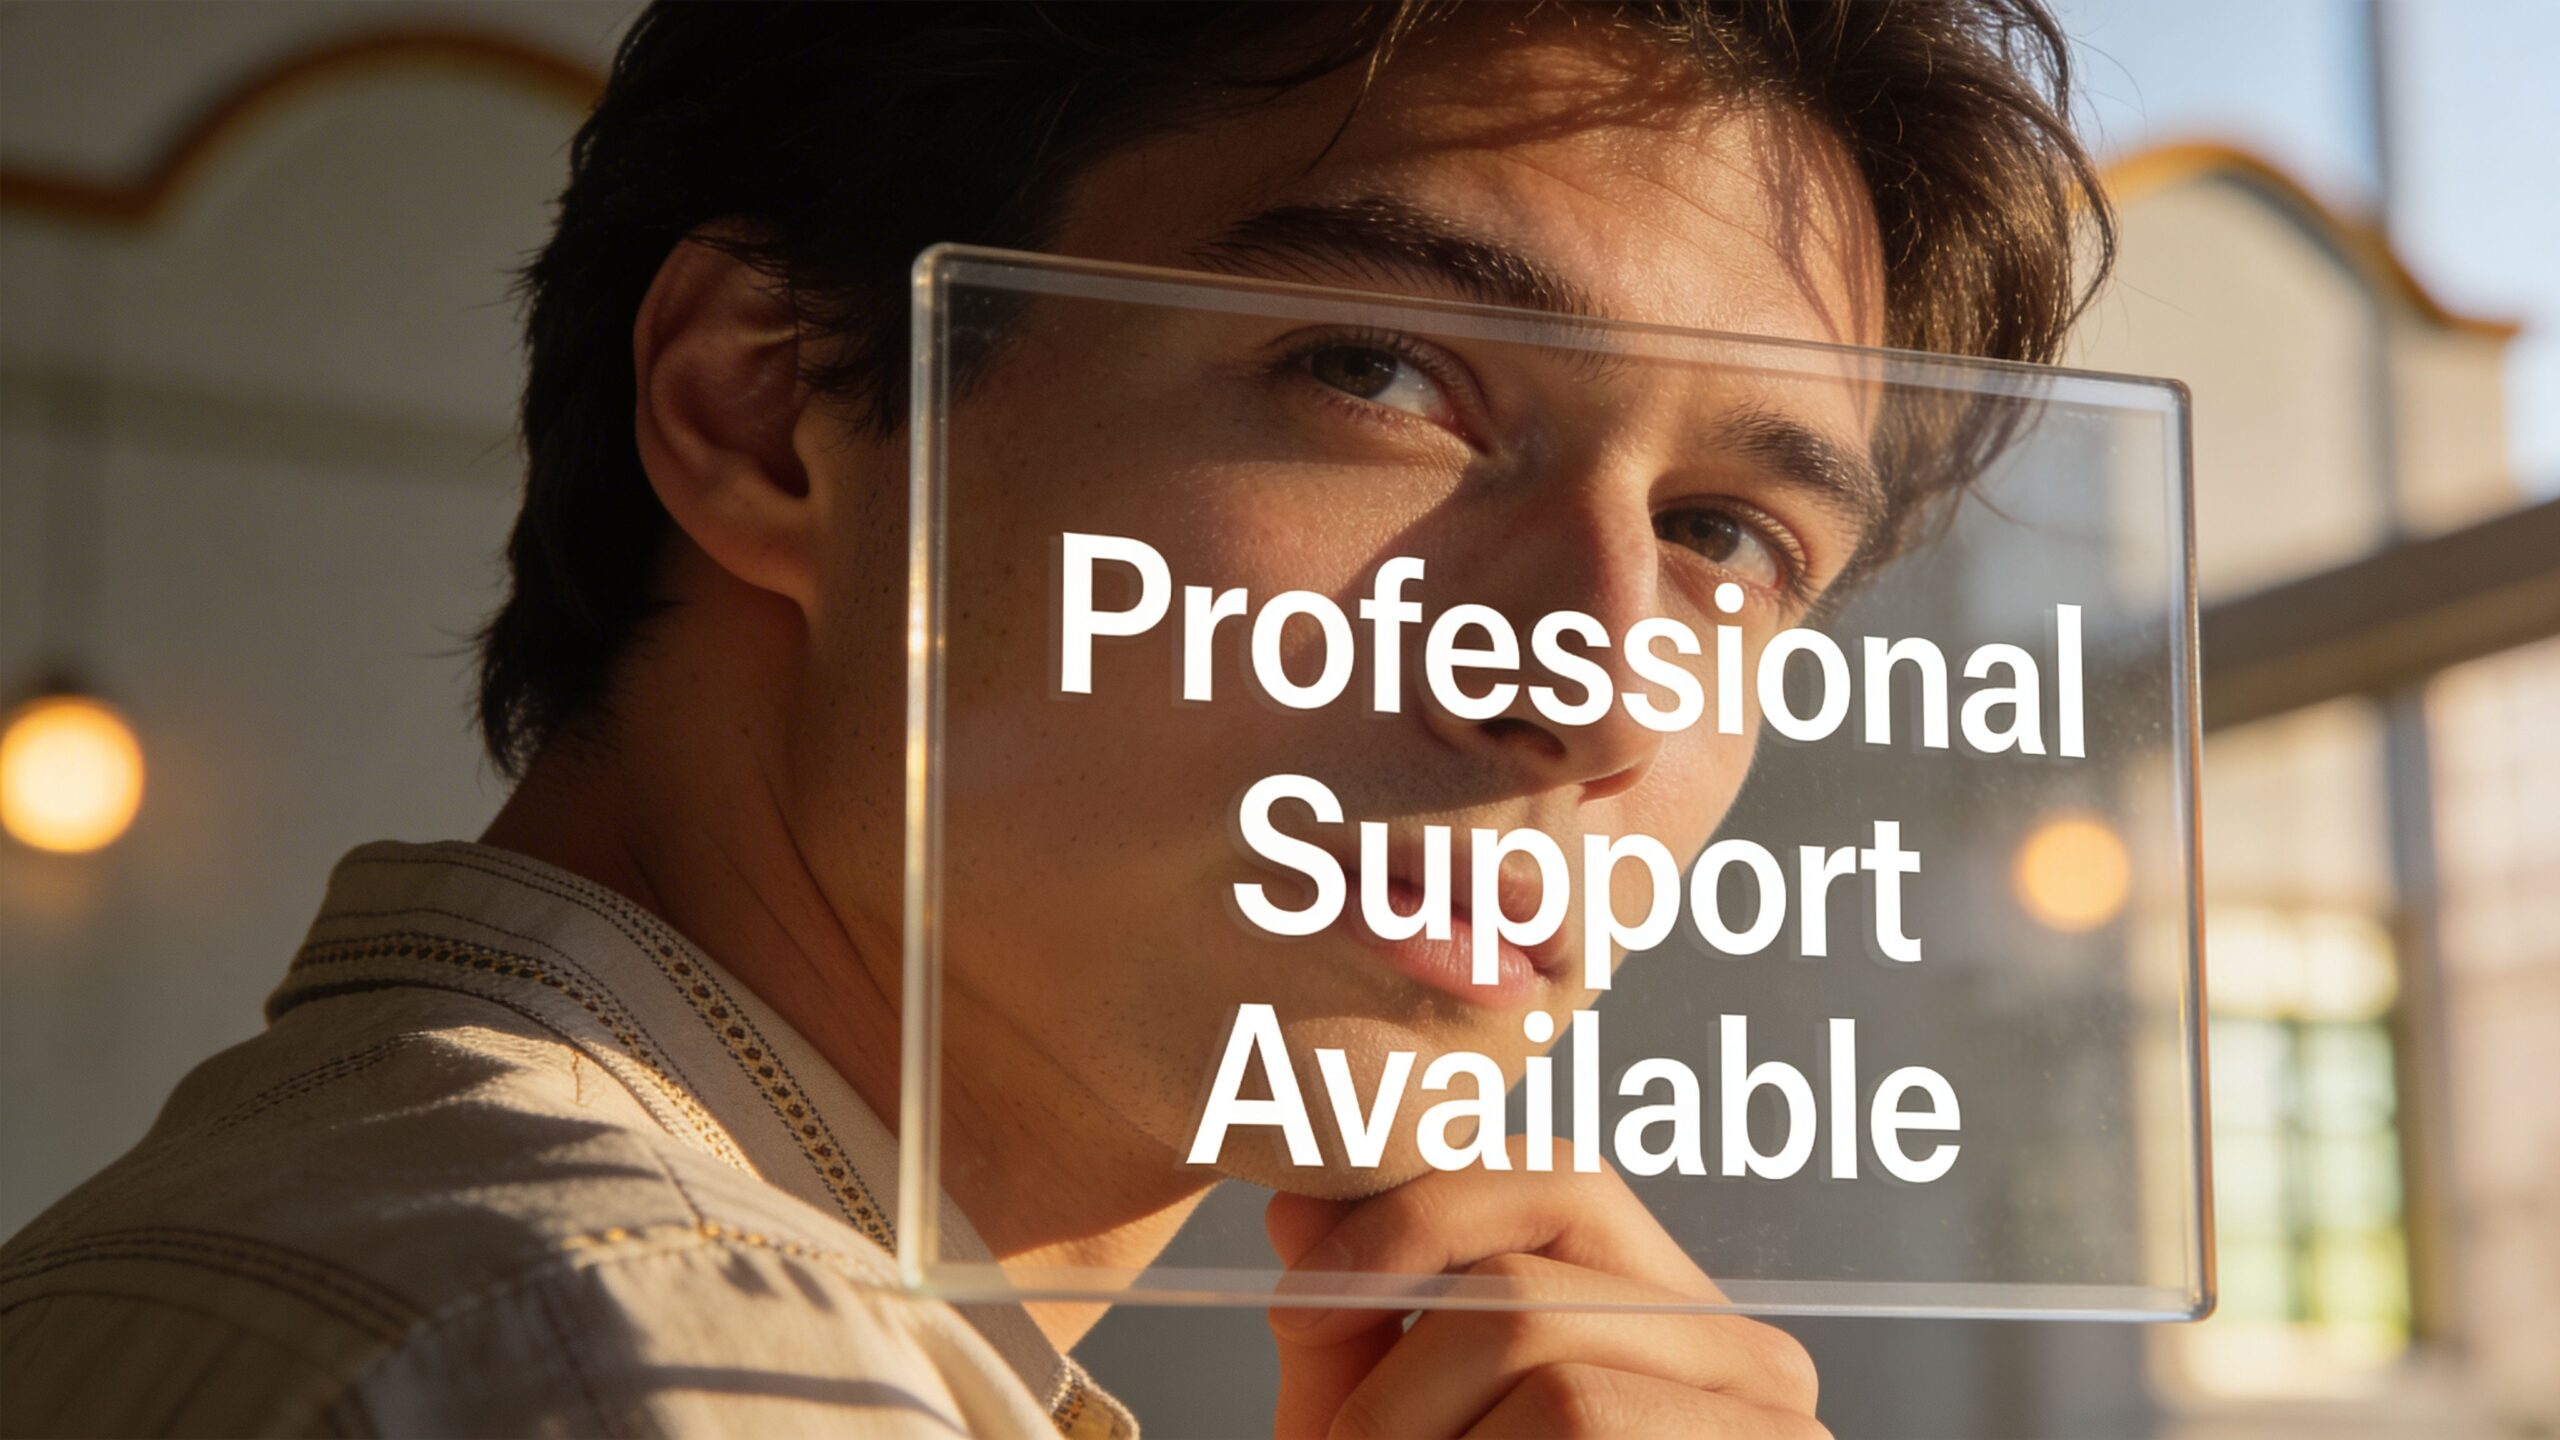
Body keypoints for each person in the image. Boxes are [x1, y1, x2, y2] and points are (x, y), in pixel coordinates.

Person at [0, 3, 2108, 1436]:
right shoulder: (641, 1362)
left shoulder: (415, 1272)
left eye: (1726, 536)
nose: (1592, 691)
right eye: (1377, 375)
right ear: (774, 404)